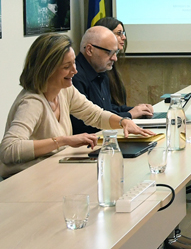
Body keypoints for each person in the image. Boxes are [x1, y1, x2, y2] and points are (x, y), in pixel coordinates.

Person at [1, 33, 155, 178]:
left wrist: (123, 122)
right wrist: (63, 140)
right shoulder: (32, 102)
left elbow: (94, 114)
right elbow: (9, 149)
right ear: (47, 70)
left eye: (74, 63)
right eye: (66, 67)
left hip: (51, 173)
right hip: (25, 180)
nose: (74, 71)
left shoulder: (64, 91)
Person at [71, 26, 154, 135]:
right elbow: (85, 123)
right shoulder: (74, 76)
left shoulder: (101, 71)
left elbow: (107, 108)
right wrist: (128, 116)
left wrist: (137, 110)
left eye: (116, 53)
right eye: (109, 53)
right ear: (90, 50)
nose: (115, 58)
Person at [95, 16, 129, 108]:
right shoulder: (99, 67)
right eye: (119, 33)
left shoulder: (112, 65)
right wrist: (131, 113)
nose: (124, 37)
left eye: (123, 33)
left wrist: (135, 110)